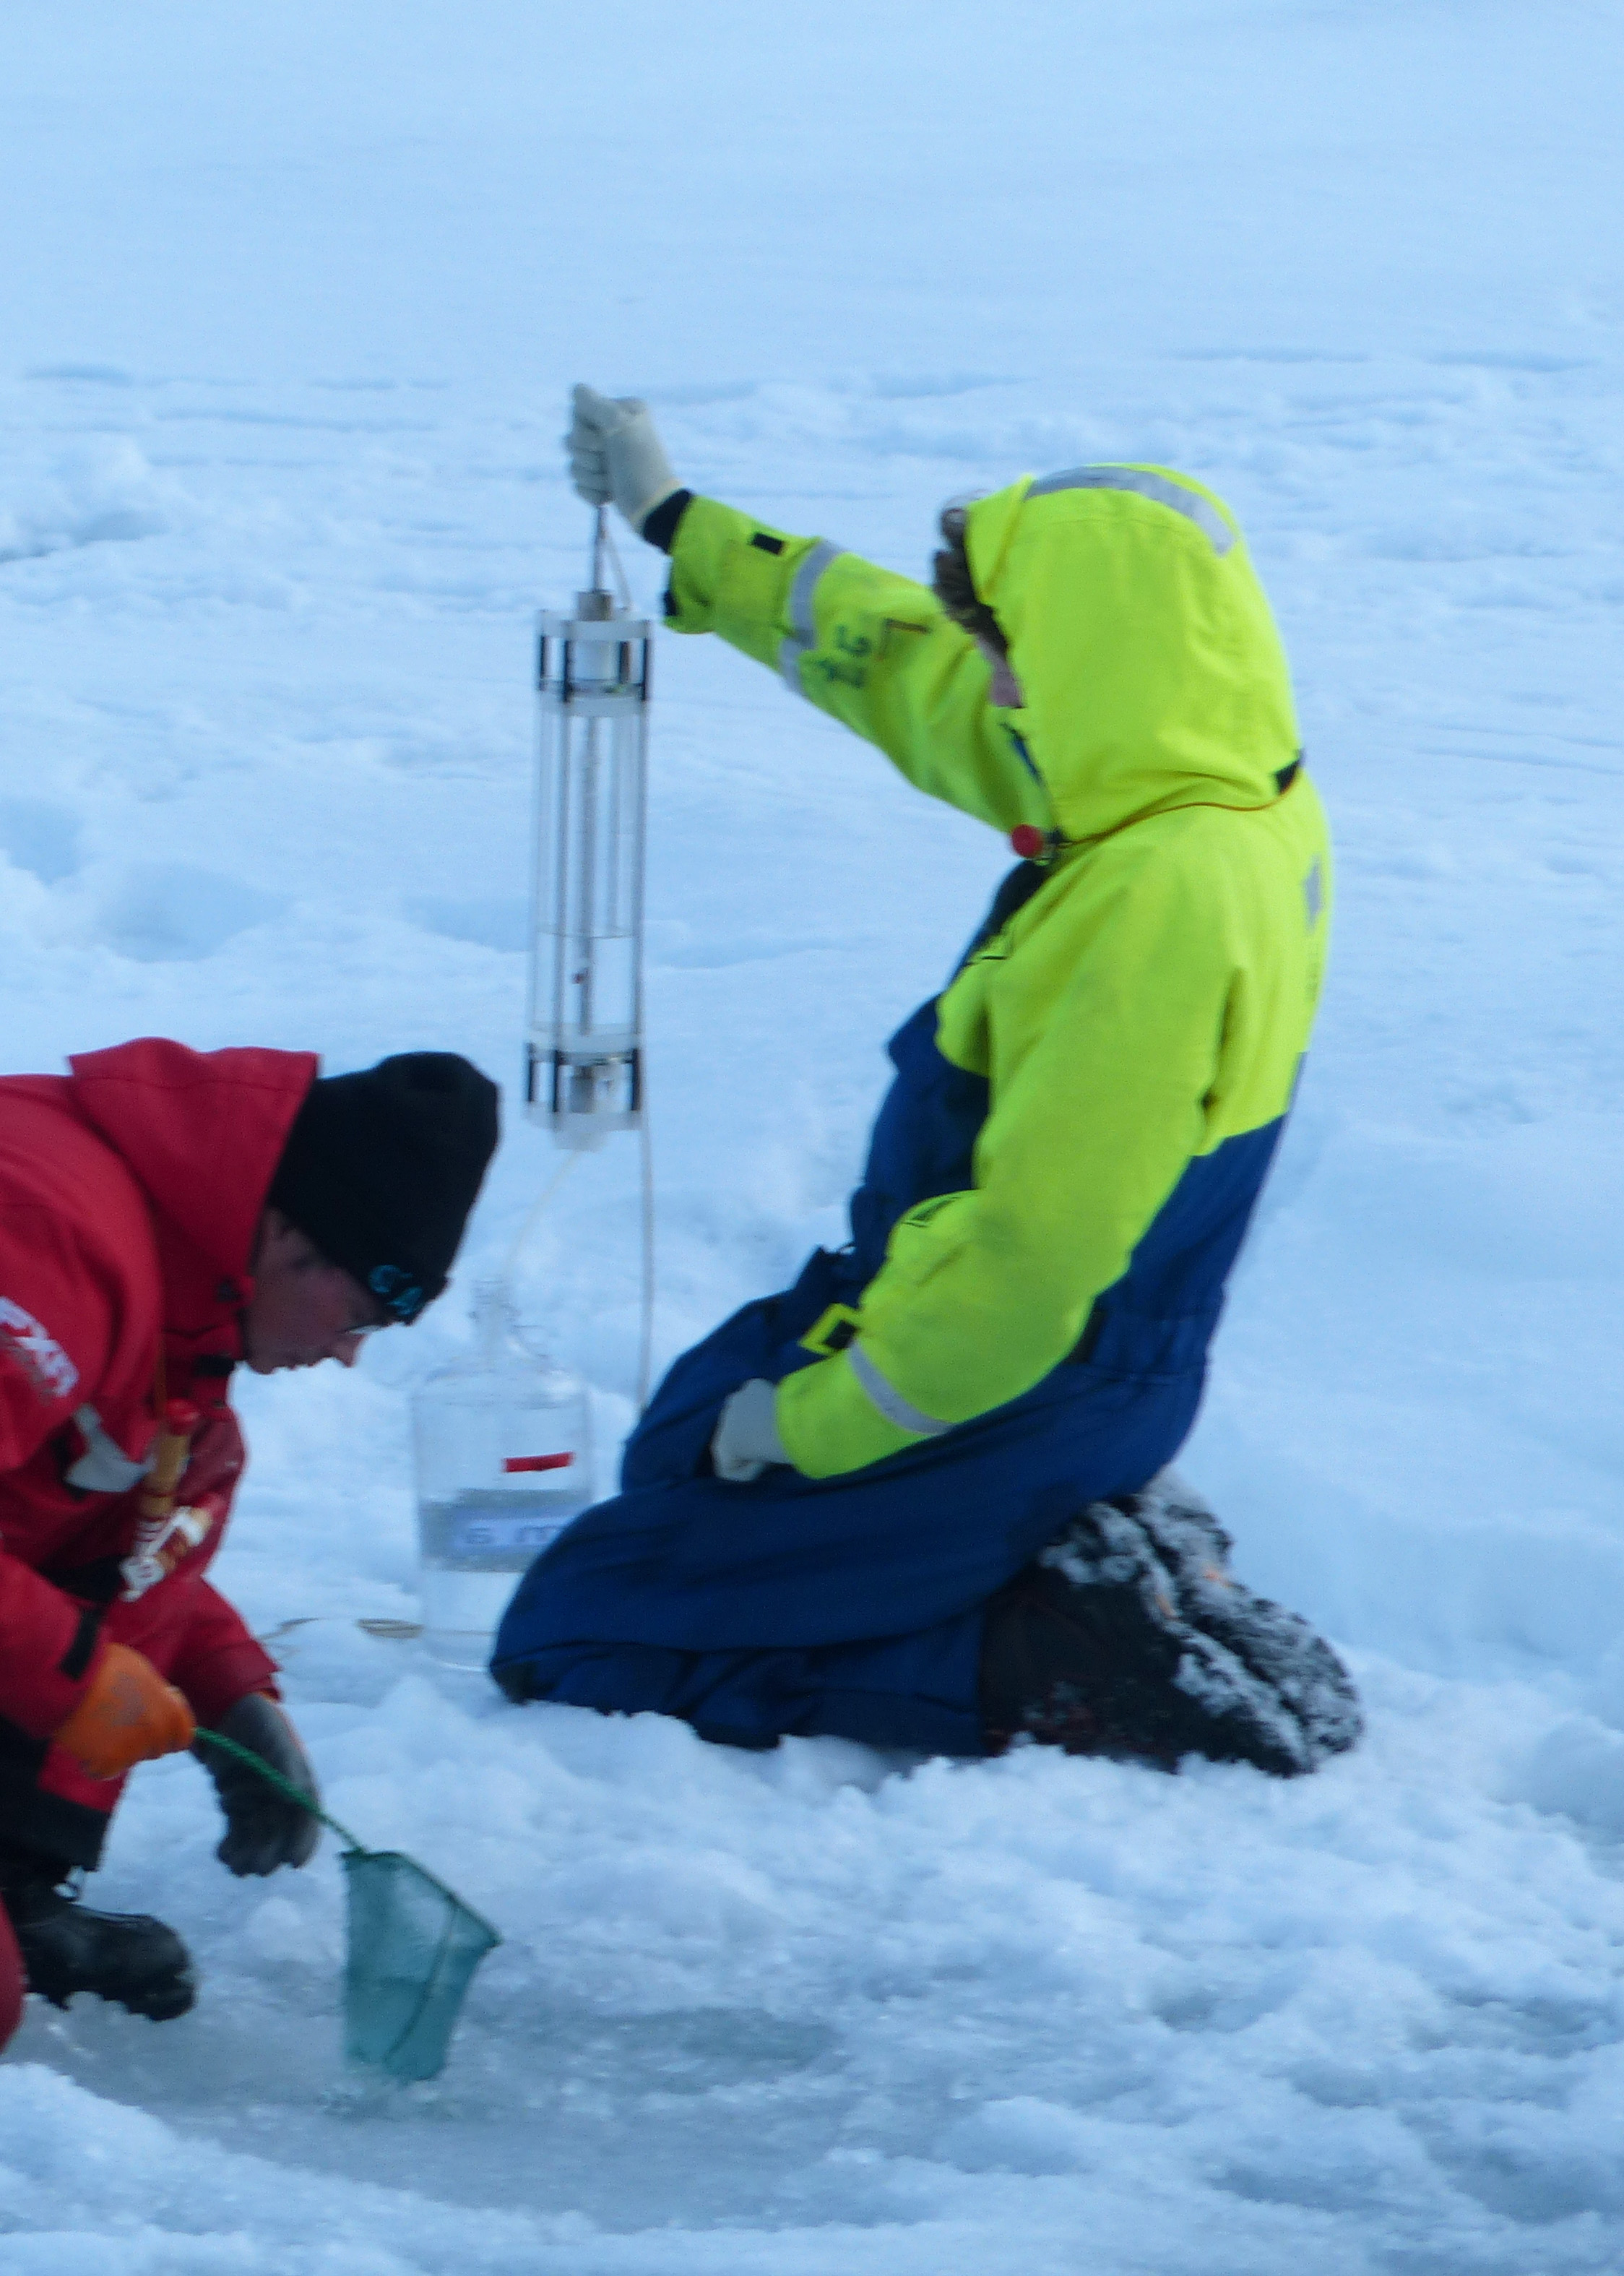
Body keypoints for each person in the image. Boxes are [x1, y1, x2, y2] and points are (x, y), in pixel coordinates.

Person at [492, 386, 1360, 1774]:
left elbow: (1026, 1263)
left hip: (1031, 1372)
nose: (1002, 687)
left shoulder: (1159, 900)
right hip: (1024, 1342)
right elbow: (915, 670)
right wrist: (678, 523)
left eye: (1017, 652)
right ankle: (1071, 1547)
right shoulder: (1197, 770)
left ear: (1095, 650)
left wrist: (816, 1422)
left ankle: (1055, 1652)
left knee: (580, 1625)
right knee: (682, 1439)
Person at [0, 1037, 498, 2046]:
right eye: (357, 1314)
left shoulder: (174, 1298)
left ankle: (16, 1885)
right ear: (287, 1234)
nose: (347, 1353)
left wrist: (225, 1684)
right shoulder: (46, 1238)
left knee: (189, 1469)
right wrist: (72, 1672)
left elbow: (99, 1523)